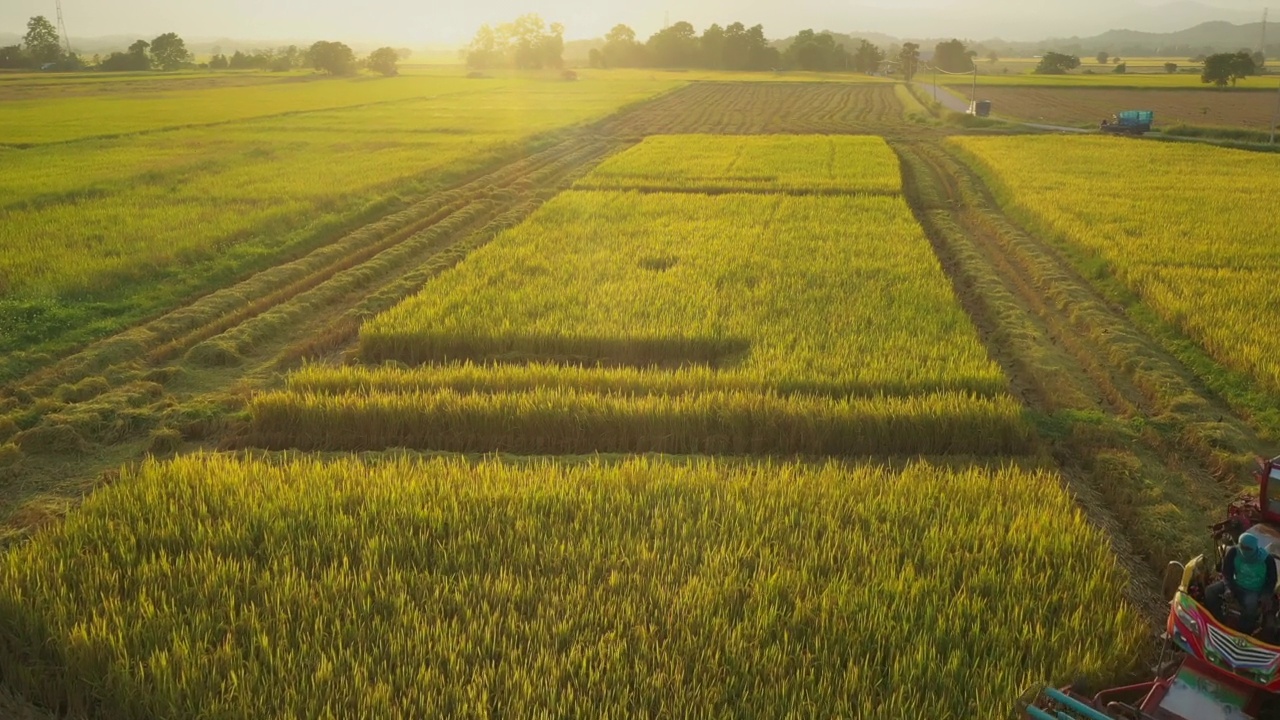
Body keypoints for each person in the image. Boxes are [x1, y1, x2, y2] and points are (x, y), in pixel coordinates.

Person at [1206, 533, 1277, 633]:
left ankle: (1242, 633)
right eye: (1242, 547)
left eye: (1248, 548)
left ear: (1255, 548)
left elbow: (1272, 580)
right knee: (1210, 591)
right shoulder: (1233, 552)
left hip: (1254, 590)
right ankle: (1217, 621)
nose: (1245, 550)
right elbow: (1226, 574)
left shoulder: (1267, 559)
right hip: (1235, 584)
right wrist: (1228, 588)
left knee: (1251, 606)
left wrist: (1265, 595)